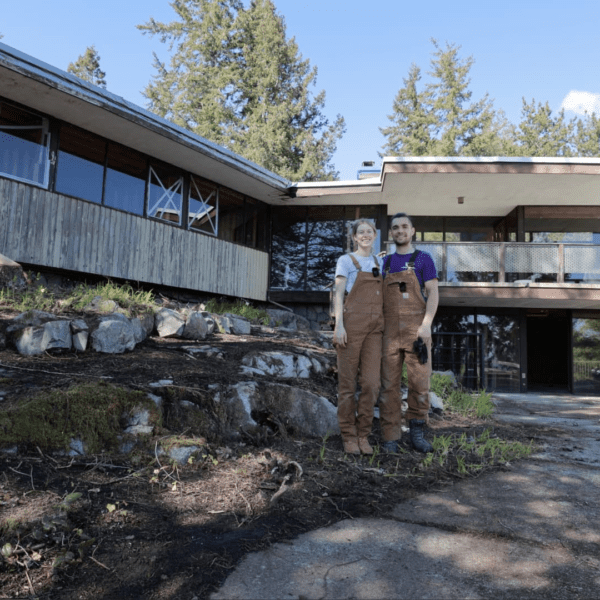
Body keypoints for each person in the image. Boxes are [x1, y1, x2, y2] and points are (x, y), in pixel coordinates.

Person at [380, 213, 439, 454]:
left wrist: (426, 325)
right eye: (395, 228)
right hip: (389, 332)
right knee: (389, 386)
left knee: (419, 383)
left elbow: (433, 293)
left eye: (404, 226)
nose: (400, 230)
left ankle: (416, 432)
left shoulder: (424, 259)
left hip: (417, 331)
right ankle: (390, 436)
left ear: (412, 231)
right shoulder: (385, 262)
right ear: (391, 233)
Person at [333, 219, 384, 455]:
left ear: (374, 236)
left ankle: (364, 434)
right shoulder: (346, 260)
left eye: (369, 231)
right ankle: (348, 435)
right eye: (360, 232)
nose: (365, 235)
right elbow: (339, 293)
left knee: (372, 384)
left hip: (375, 328)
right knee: (347, 384)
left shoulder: (379, 262)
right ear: (354, 237)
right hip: (351, 325)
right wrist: (338, 325)